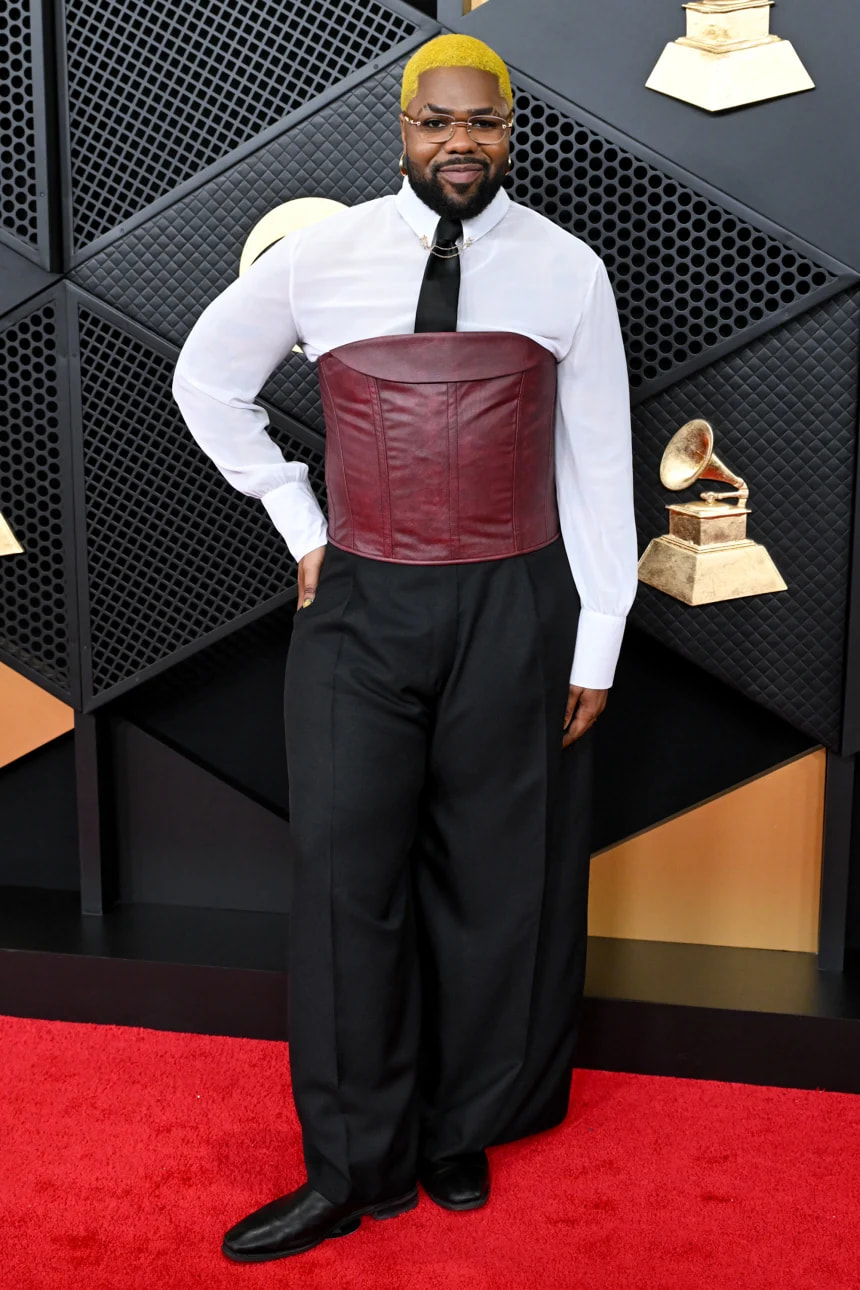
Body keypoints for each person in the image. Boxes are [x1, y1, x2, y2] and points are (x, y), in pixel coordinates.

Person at [172, 32, 638, 1264]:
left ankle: (458, 1129)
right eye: (436, 122)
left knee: (497, 877)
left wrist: (597, 636)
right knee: (345, 881)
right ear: (402, 128)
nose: (458, 143)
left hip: (515, 600)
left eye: (480, 122)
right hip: (361, 603)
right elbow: (206, 381)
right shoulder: (319, 257)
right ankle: (349, 1167)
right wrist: (298, 519)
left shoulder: (566, 269)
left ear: (509, 128)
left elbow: (597, 459)